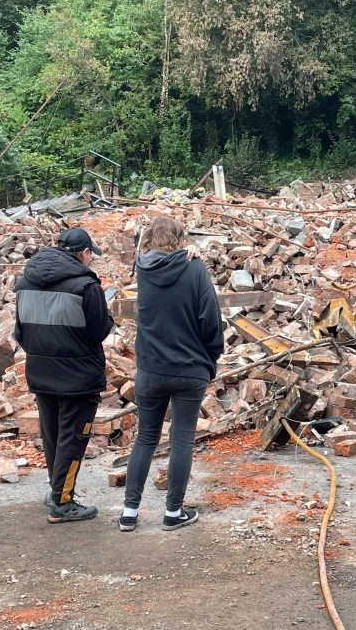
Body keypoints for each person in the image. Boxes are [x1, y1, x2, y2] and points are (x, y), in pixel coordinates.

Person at [120, 216, 224, 532]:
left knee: (145, 438)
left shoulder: (144, 271)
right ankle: (173, 512)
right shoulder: (195, 269)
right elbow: (211, 321)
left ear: (149, 240)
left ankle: (129, 512)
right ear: (181, 240)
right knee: (181, 437)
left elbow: (158, 263)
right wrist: (211, 357)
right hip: (190, 369)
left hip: (150, 369)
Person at [14, 227, 113, 523]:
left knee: (53, 436)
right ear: (84, 254)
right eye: (90, 256)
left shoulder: (24, 283)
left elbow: (20, 332)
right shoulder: (87, 287)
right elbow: (99, 331)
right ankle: (62, 501)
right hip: (78, 377)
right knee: (72, 438)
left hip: (41, 371)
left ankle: (56, 490)